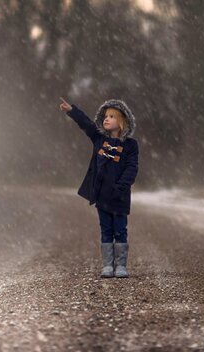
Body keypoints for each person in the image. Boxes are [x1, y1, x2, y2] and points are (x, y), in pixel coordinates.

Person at [59, 97, 139, 278]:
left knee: (120, 230)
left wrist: (121, 187)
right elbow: (86, 124)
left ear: (122, 122)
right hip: (102, 196)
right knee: (106, 230)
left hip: (120, 197)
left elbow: (132, 167)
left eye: (112, 116)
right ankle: (107, 266)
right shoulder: (99, 139)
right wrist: (72, 110)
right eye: (105, 116)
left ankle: (121, 266)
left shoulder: (130, 145)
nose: (106, 119)